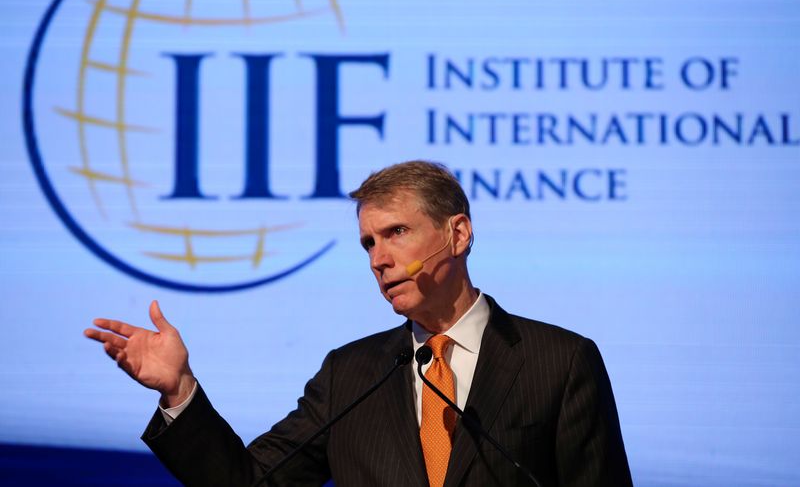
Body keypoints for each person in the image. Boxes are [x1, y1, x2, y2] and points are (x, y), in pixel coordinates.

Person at [85, 161, 633, 487]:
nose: (378, 258)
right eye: (369, 243)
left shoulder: (558, 361)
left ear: (458, 234)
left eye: (396, 233)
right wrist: (179, 389)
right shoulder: (351, 374)